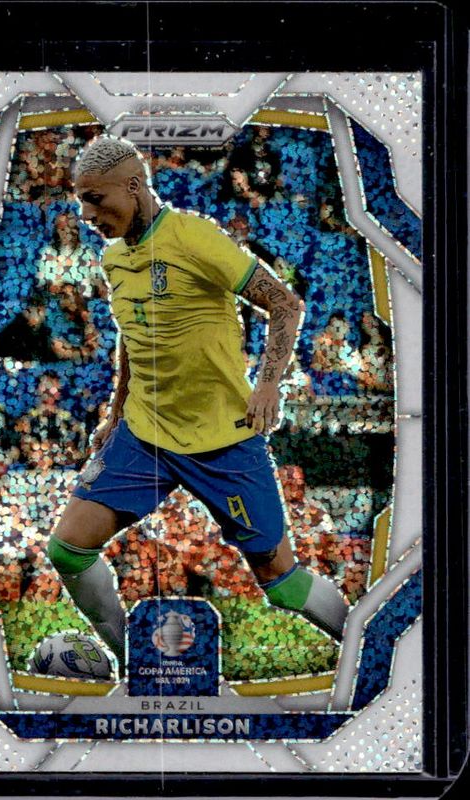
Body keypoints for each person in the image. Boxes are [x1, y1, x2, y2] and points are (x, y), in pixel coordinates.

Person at [46, 137, 347, 674]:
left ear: (132, 187)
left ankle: (372, 646)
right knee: (67, 549)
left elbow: (283, 302)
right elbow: (134, 336)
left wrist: (268, 385)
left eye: (95, 199)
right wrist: (115, 414)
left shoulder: (194, 237)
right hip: (145, 435)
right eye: (81, 202)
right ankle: (133, 661)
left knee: (281, 583)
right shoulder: (115, 259)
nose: (86, 215)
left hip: (223, 440)